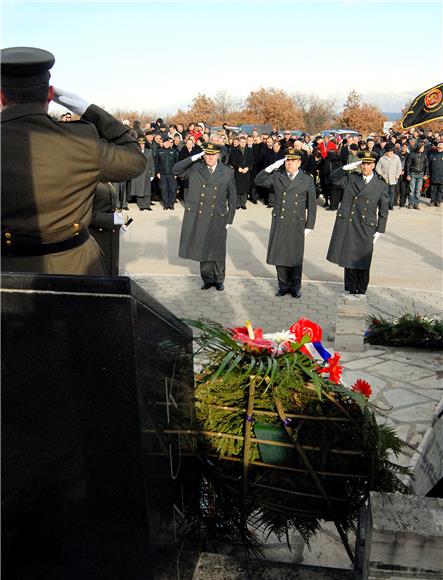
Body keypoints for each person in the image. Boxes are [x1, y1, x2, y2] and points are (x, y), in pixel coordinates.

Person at [1, 46, 146, 275]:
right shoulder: (82, 140)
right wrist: (89, 110)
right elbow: (135, 159)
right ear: (50, 95)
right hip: (75, 268)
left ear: (1, 96)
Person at [173, 142, 236, 291]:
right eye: (207, 154)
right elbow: (175, 170)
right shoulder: (196, 168)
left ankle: (219, 279)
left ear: (218, 155)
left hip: (218, 215)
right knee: (203, 246)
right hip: (200, 215)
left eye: (213, 154)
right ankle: (207, 279)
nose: (210, 157)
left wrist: (230, 218)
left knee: (218, 248)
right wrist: (194, 157)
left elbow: (232, 197)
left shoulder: (227, 171)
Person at [255, 148, 317, 298]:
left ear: (299, 163)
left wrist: (310, 225)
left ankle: (295, 287)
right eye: (287, 160)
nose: (289, 163)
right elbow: (259, 180)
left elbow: (312, 204)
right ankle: (283, 285)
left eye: (293, 161)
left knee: (295, 255)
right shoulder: (278, 176)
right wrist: (272, 167)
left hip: (297, 222)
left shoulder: (307, 179)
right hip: (280, 220)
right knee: (281, 253)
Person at [326, 151, 389, 295]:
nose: (364, 166)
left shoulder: (380, 184)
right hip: (349, 223)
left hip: (366, 226)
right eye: (363, 163)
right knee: (348, 259)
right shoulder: (351, 179)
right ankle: (349, 289)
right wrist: (346, 167)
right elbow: (333, 178)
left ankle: (361, 290)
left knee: (363, 260)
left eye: (368, 164)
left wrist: (380, 230)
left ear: (373, 165)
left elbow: (384, 210)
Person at [90, 182, 128, 275]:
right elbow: (86, 215)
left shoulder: (106, 181)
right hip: (98, 237)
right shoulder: (89, 183)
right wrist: (113, 219)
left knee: (111, 272)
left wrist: (119, 222)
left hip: (110, 235)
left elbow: (109, 208)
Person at [229, 134, 254, 209]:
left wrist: (248, 167)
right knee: (238, 188)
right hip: (238, 171)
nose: (243, 143)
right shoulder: (234, 150)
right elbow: (232, 161)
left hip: (246, 171)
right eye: (241, 142)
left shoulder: (249, 150)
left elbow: (252, 161)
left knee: (245, 189)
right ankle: (237, 204)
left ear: (246, 142)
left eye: (244, 142)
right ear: (239, 142)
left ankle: (243, 203)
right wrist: (237, 168)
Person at [375, 143, 402, 210]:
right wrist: (381, 174)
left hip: (393, 179)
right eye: (389, 152)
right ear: (386, 152)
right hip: (384, 179)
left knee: (392, 193)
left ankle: (391, 205)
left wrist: (397, 174)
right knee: (385, 193)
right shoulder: (382, 159)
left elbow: (399, 167)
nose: (391, 154)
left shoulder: (396, 157)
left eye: (392, 152)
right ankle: (384, 205)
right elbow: (377, 168)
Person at [131, 137, 156, 211]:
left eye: (143, 144)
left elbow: (152, 163)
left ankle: (147, 205)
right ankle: (141, 205)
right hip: (138, 174)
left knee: (147, 190)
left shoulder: (149, 152)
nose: (142, 145)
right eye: (140, 144)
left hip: (147, 173)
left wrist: (153, 174)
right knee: (139, 190)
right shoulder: (135, 152)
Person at [155, 135, 179, 209]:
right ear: (163, 143)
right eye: (165, 142)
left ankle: (171, 204)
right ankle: (166, 204)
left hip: (172, 174)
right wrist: (157, 173)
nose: (167, 144)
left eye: (168, 143)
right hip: (162, 174)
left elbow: (177, 163)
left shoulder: (174, 151)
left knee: (172, 189)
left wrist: (176, 173)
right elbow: (156, 163)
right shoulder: (159, 151)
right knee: (164, 189)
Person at [405, 141, 429, 209]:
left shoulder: (424, 155)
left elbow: (427, 165)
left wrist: (426, 174)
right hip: (413, 174)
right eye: (422, 147)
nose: (423, 149)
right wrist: (408, 174)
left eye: (423, 148)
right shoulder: (412, 154)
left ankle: (416, 204)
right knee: (412, 190)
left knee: (418, 191)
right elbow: (408, 165)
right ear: (418, 147)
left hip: (421, 175)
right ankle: (411, 204)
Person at [428, 141, 443, 207]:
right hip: (433, 175)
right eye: (438, 147)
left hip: (442, 176)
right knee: (433, 190)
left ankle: (438, 201)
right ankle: (432, 201)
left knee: (440, 190)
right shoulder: (432, 155)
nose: (439, 148)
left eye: (441, 147)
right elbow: (429, 165)